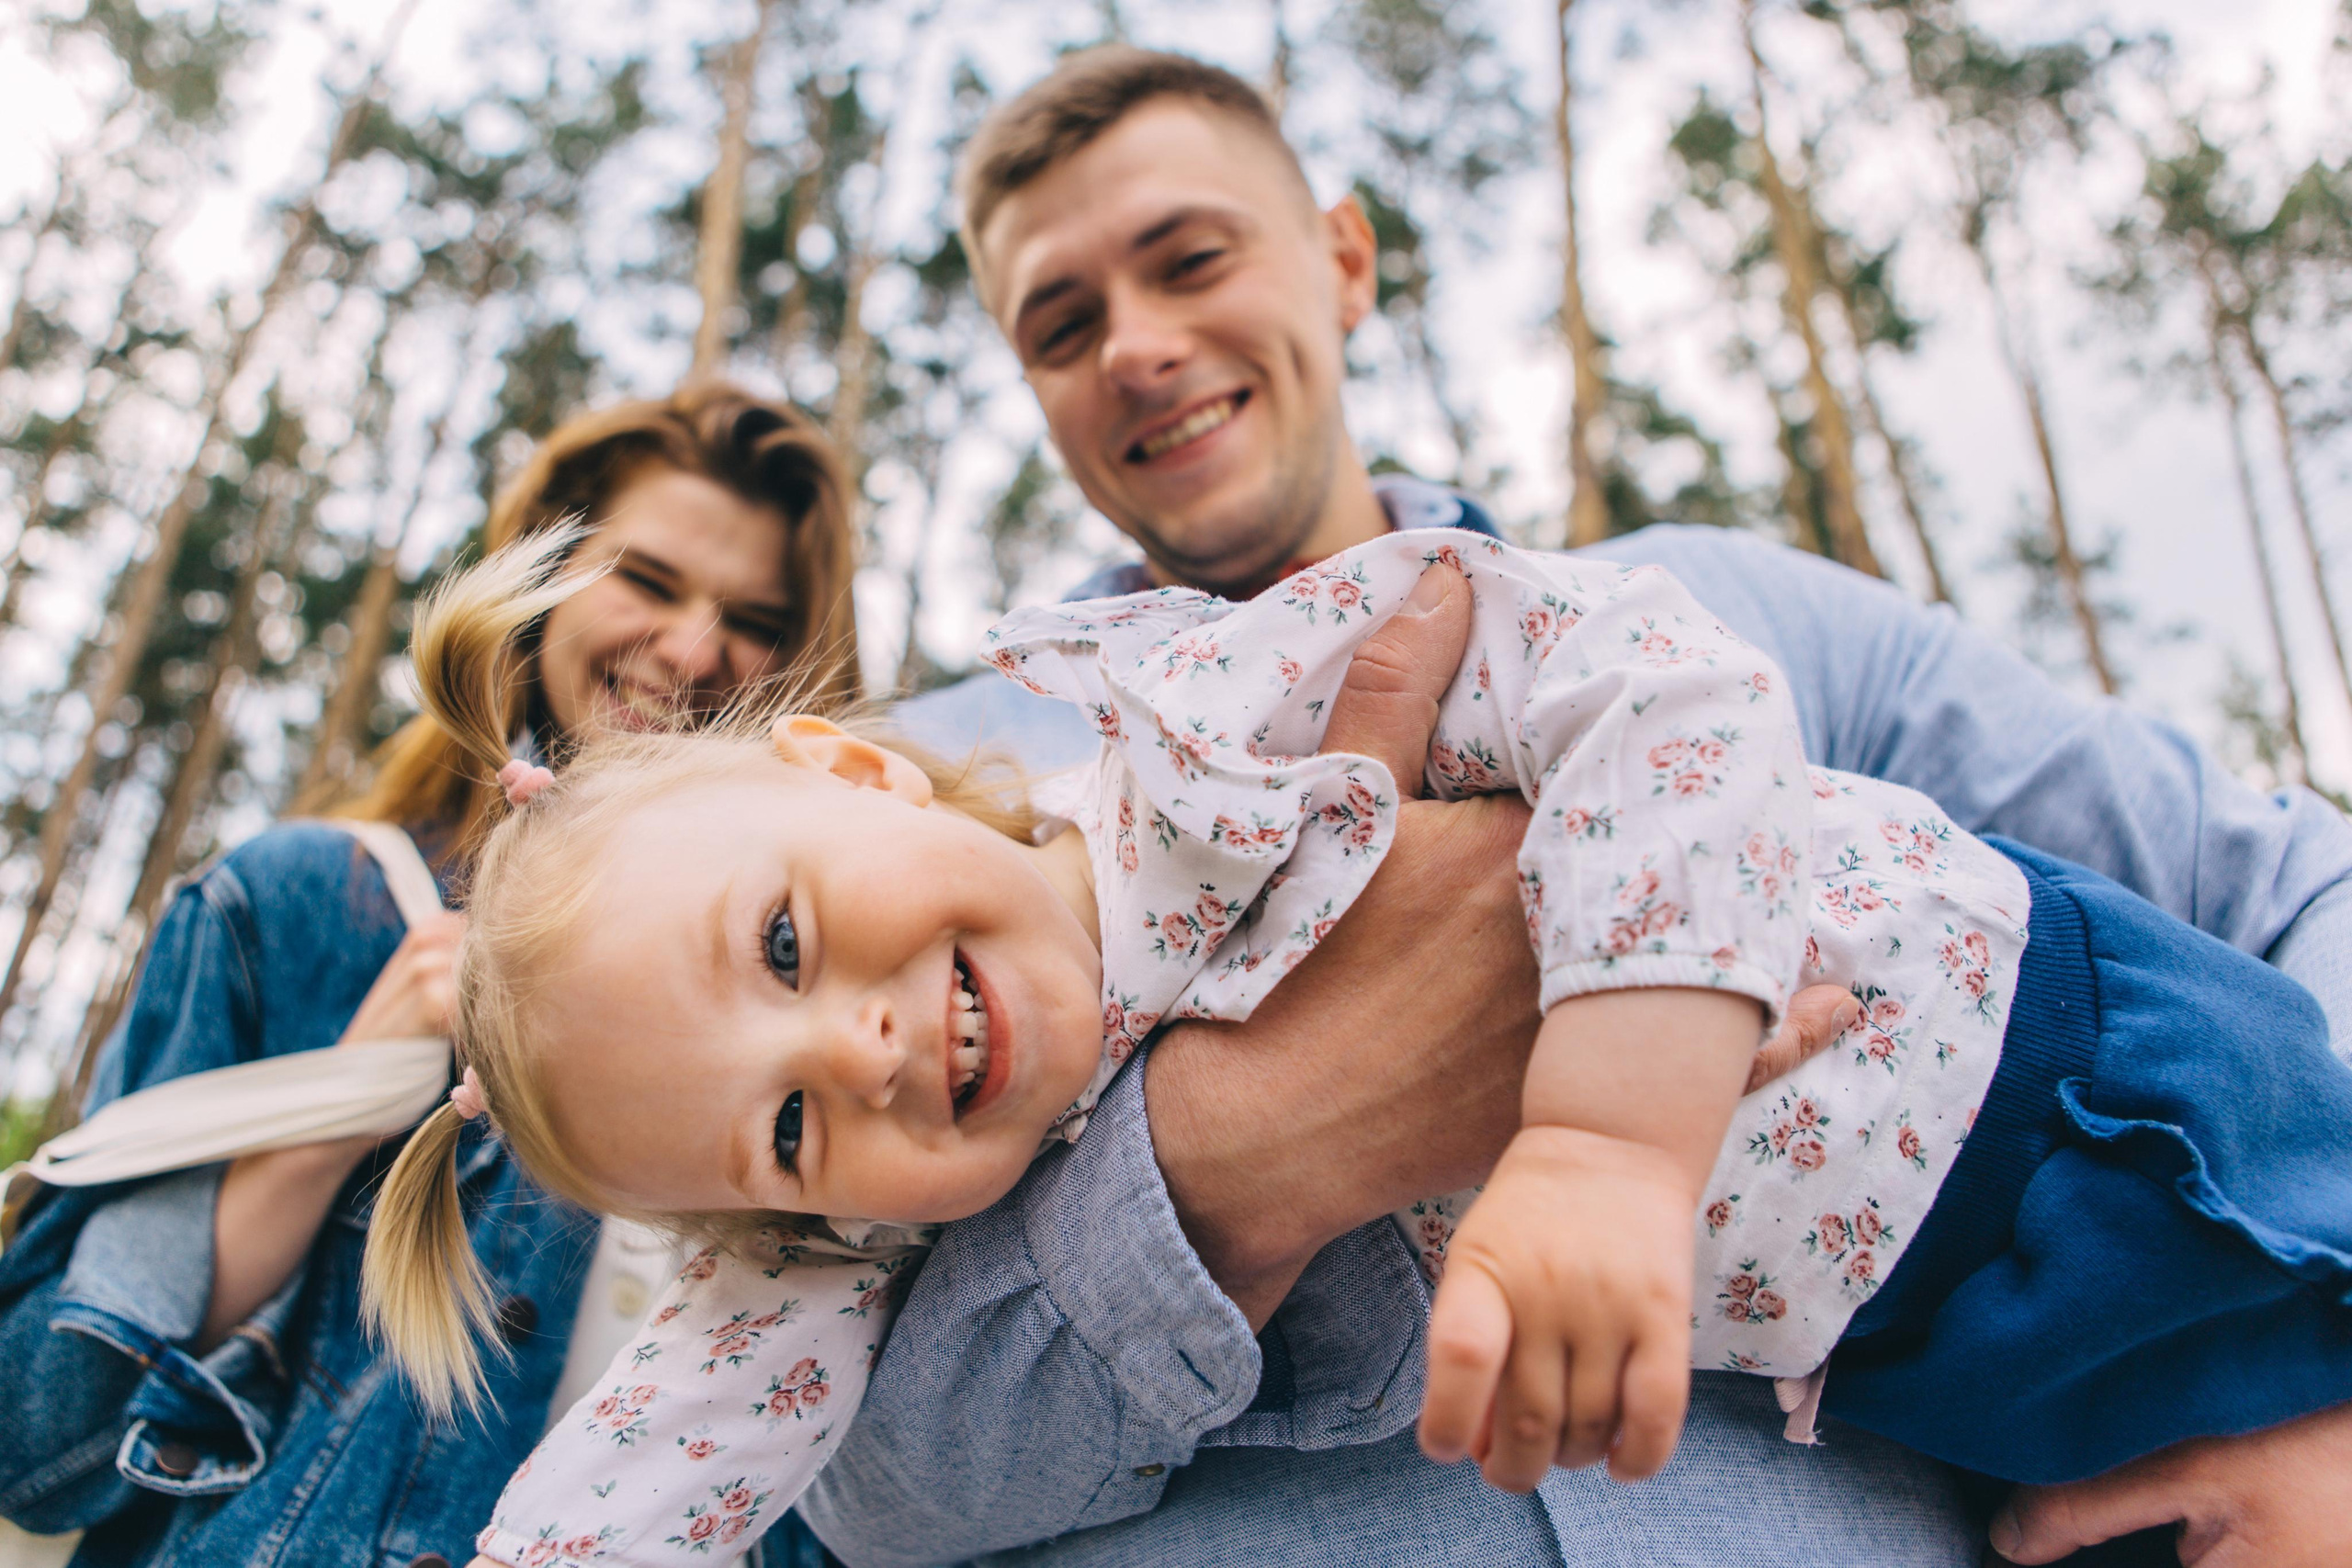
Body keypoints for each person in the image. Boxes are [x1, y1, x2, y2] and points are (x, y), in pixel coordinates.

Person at [781, 48, 2352, 1568]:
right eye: (1060, 325)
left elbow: (2292, 886)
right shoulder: (923, 809)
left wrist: (2325, 1372)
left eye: (1187, 259)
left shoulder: (1723, 613)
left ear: (1342, 262)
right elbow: (828, 1493)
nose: (1132, 344)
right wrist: (1237, 1149)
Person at [372, 519, 2352, 1568]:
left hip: (2087, 1097)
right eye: (787, 1124)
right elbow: (661, 1471)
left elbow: (1661, 692)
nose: (864, 1045)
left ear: (862, 760)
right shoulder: (879, 1239)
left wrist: (1597, 1136)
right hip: (1945, 1366)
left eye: (789, 939)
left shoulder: (1215, 727)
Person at [0, 383, 859, 1568]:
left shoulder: (856, 1022)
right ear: (534, 580)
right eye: (648, 582)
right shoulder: (298, 910)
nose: (695, 648)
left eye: (754, 618)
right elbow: (40, 1440)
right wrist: (336, 1113)